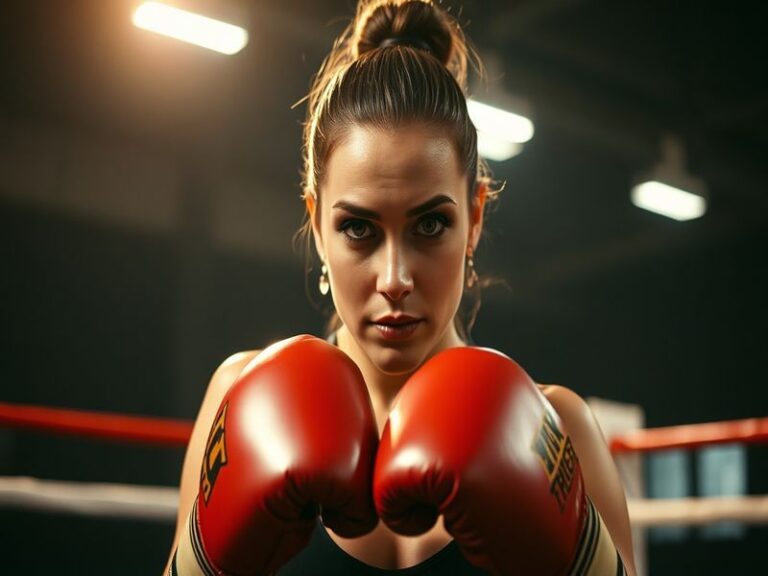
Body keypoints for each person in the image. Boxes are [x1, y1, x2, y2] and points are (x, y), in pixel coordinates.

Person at [164, 1, 637, 574]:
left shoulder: (556, 429)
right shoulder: (240, 402)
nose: (395, 279)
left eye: (430, 225)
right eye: (358, 228)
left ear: (475, 218)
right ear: (317, 225)